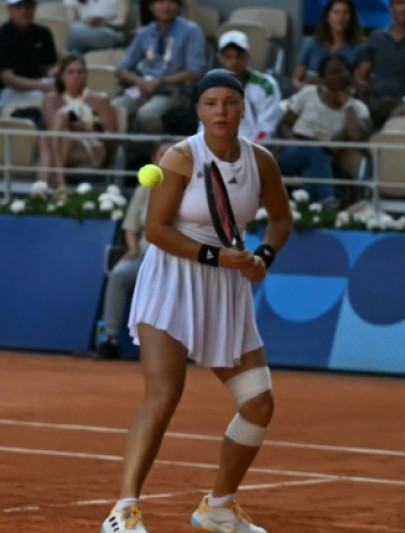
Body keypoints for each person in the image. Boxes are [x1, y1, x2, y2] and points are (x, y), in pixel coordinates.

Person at [100, 69, 292, 533]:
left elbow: (282, 219)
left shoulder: (261, 160)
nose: (221, 111)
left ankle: (218, 507)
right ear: (198, 110)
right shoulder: (181, 158)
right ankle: (123, 512)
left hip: (227, 289)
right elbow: (155, 231)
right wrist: (216, 254)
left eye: (229, 102)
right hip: (171, 281)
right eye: (211, 103)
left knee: (259, 403)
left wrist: (261, 257)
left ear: (243, 107)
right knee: (164, 395)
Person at [97, 142, 171, 360]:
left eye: (172, 155)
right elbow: (130, 227)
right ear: (154, 159)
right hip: (143, 258)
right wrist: (131, 249)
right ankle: (109, 339)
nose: (167, 159)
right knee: (119, 274)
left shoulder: (190, 191)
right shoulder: (144, 189)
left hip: (174, 262)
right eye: (162, 154)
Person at [278, 53, 370, 206]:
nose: (337, 76)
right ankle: (328, 200)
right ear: (322, 78)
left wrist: (347, 105)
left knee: (313, 167)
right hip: (294, 152)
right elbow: (284, 124)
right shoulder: (308, 93)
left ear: (350, 73)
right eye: (331, 73)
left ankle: (307, 209)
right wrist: (293, 143)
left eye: (341, 71)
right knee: (314, 151)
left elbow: (357, 137)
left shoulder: (357, 108)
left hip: (326, 159)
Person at [113, 0, 205, 133]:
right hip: (143, 88)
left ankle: (160, 151)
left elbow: (195, 71)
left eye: (171, 2)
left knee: (147, 114)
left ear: (178, 5)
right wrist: (140, 82)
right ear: (151, 6)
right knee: (116, 107)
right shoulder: (144, 32)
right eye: (160, 2)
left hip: (174, 91)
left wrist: (160, 81)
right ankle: (122, 151)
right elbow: (121, 69)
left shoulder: (191, 31)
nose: (166, 6)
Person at [38, 53, 116, 189]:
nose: (76, 76)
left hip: (91, 147)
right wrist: (77, 126)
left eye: (80, 72)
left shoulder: (99, 99)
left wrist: (86, 129)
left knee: (52, 137)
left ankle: (41, 187)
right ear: (62, 76)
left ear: (85, 75)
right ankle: (59, 184)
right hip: (63, 145)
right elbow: (54, 129)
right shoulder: (52, 100)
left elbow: (111, 135)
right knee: (53, 135)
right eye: (70, 72)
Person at [201, 30, 281, 142]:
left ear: (247, 56)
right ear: (219, 58)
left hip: (255, 150)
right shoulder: (209, 85)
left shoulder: (267, 85)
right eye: (228, 56)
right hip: (219, 149)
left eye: (239, 56)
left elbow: (266, 129)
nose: (234, 61)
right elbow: (204, 127)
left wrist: (245, 151)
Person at [354, 0, 405, 128]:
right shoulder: (376, 37)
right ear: (391, 7)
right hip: (377, 103)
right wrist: (361, 84)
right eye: (399, 3)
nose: (404, 8)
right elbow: (362, 74)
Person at [0, 0, 58, 111]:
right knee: (46, 99)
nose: (24, 11)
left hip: (38, 85)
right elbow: (8, 78)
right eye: (19, 7)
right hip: (8, 91)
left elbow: (48, 66)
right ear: (9, 9)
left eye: (28, 6)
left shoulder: (43, 34)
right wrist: (43, 86)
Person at [292, 0, 365, 93]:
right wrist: (306, 89)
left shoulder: (359, 48)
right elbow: (295, 80)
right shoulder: (311, 43)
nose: (340, 17)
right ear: (327, 16)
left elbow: (357, 85)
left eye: (345, 13)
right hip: (311, 95)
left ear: (351, 18)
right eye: (336, 12)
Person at [63, 0, 129, 54]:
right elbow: (71, 23)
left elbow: (121, 21)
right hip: (84, 37)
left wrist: (104, 23)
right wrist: (87, 23)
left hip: (109, 34)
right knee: (74, 49)